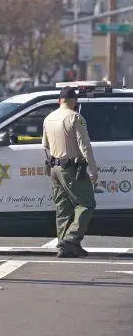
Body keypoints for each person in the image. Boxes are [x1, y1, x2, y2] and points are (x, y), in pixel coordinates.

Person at [42, 86, 99, 258]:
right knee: (86, 204)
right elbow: (84, 146)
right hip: (72, 169)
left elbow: (45, 145)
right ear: (74, 102)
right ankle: (70, 239)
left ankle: (66, 247)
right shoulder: (75, 117)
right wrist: (93, 169)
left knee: (63, 209)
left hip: (55, 168)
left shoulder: (48, 118)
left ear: (59, 101)